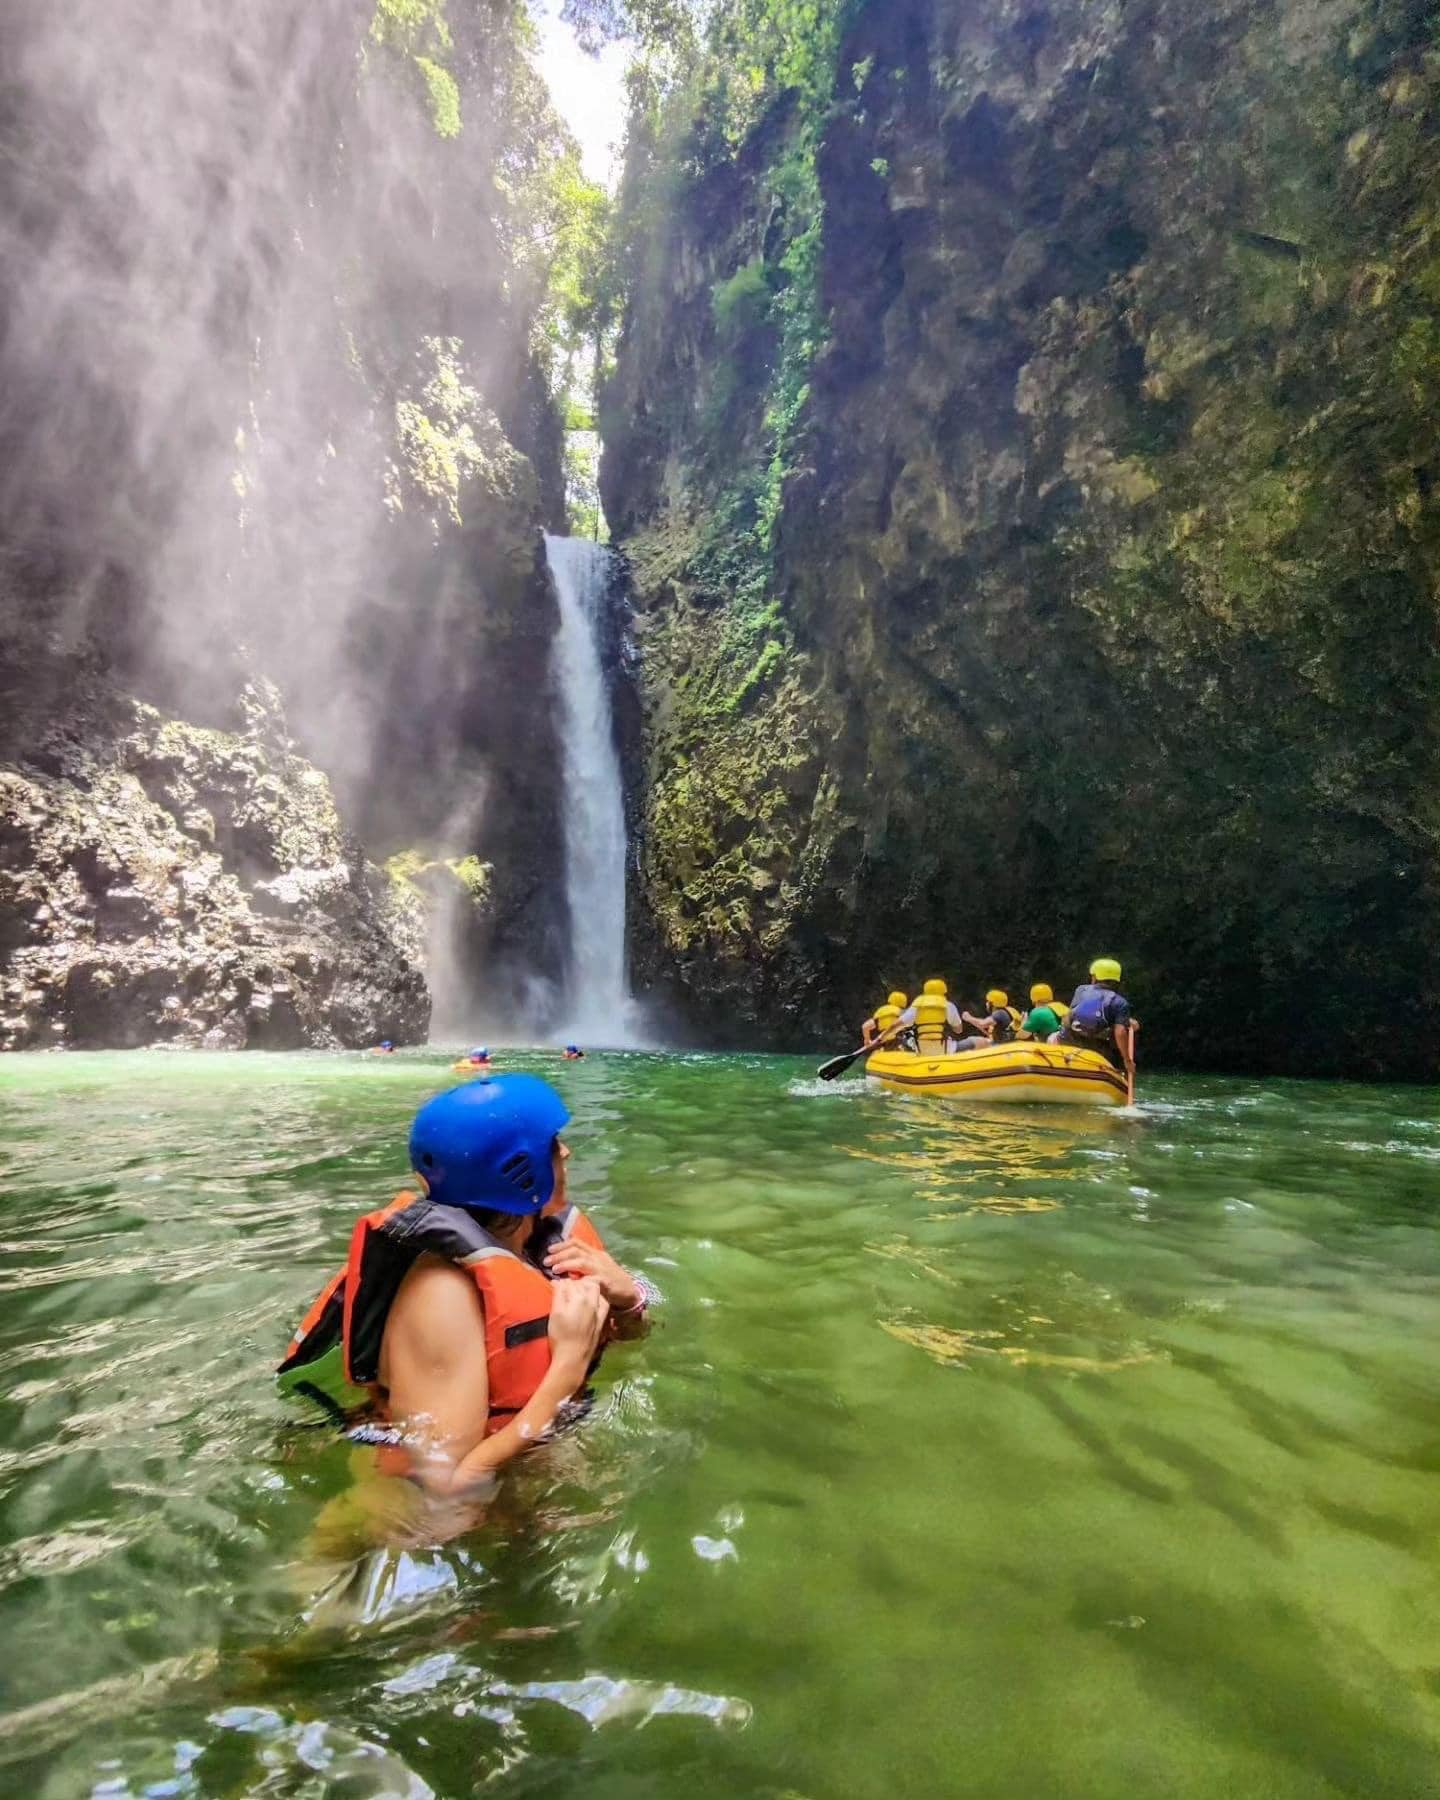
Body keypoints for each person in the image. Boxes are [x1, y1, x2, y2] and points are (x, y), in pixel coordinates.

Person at [277, 1074, 649, 1496]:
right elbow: (445, 1495)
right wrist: (568, 1367)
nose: (566, 1151)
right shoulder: (443, 1293)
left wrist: (628, 1300)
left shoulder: (542, 1246)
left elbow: (630, 1344)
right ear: (520, 1172)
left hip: (522, 1488)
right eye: (551, 1144)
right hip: (404, 1516)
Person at [1059, 958, 1138, 1100]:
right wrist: (1127, 1060)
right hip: (1098, 1051)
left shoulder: (1081, 990)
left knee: (1054, 1036)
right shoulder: (1120, 1002)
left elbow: (1071, 1015)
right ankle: (1122, 1084)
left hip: (1069, 1043)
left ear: (1095, 977)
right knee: (1121, 1057)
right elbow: (1120, 1032)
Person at [897, 978, 963, 1053]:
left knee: (907, 1039)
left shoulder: (916, 1007)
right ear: (943, 992)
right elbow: (959, 1030)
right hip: (945, 1049)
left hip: (922, 1049)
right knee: (973, 1041)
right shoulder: (949, 1006)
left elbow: (897, 1025)